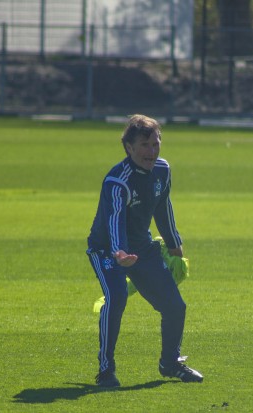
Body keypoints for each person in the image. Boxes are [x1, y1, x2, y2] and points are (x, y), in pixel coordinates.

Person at [86, 114, 203, 387]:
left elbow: (163, 207)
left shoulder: (162, 170)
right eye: (145, 145)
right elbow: (114, 219)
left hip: (142, 248)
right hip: (106, 250)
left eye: (155, 143)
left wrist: (174, 244)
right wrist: (119, 253)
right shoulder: (117, 180)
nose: (152, 151)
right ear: (129, 147)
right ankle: (106, 370)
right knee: (115, 299)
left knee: (175, 306)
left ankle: (170, 364)